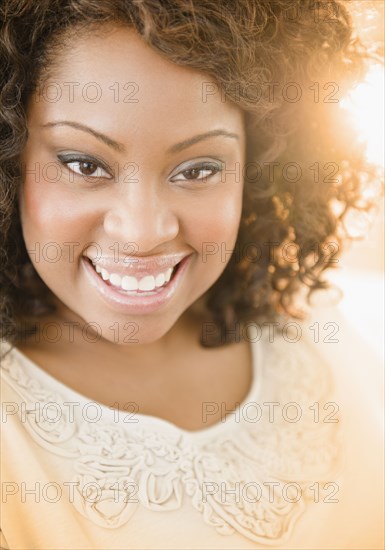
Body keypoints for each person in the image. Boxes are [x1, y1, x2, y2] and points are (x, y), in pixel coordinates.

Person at [0, 1, 383, 548]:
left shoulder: (307, 322)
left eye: (198, 169)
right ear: (10, 154)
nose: (142, 231)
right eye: (85, 164)